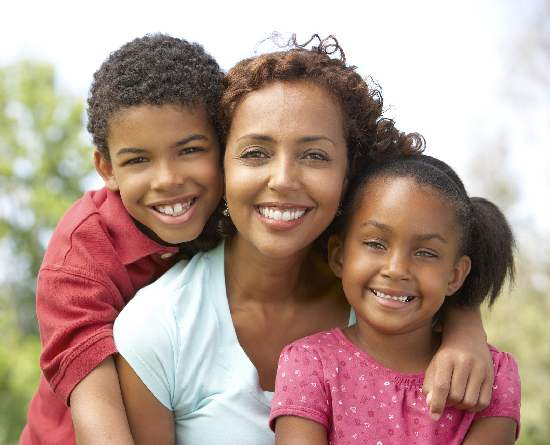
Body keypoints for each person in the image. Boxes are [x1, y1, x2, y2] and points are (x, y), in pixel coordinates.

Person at [114, 36, 496, 444]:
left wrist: (464, 324)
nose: (282, 180)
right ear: (222, 165)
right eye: (255, 153)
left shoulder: (387, 294)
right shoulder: (158, 328)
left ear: (348, 174)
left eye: (314, 156)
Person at [20, 34, 224, 445]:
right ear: (107, 168)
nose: (167, 180)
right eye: (138, 160)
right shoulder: (79, 258)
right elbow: (100, 417)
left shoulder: (238, 215)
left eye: (189, 150)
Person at [270, 153, 520, 444]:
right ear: (339, 255)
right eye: (376, 244)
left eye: (425, 253)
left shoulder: (494, 374)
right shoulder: (309, 363)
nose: (396, 269)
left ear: (454, 275)